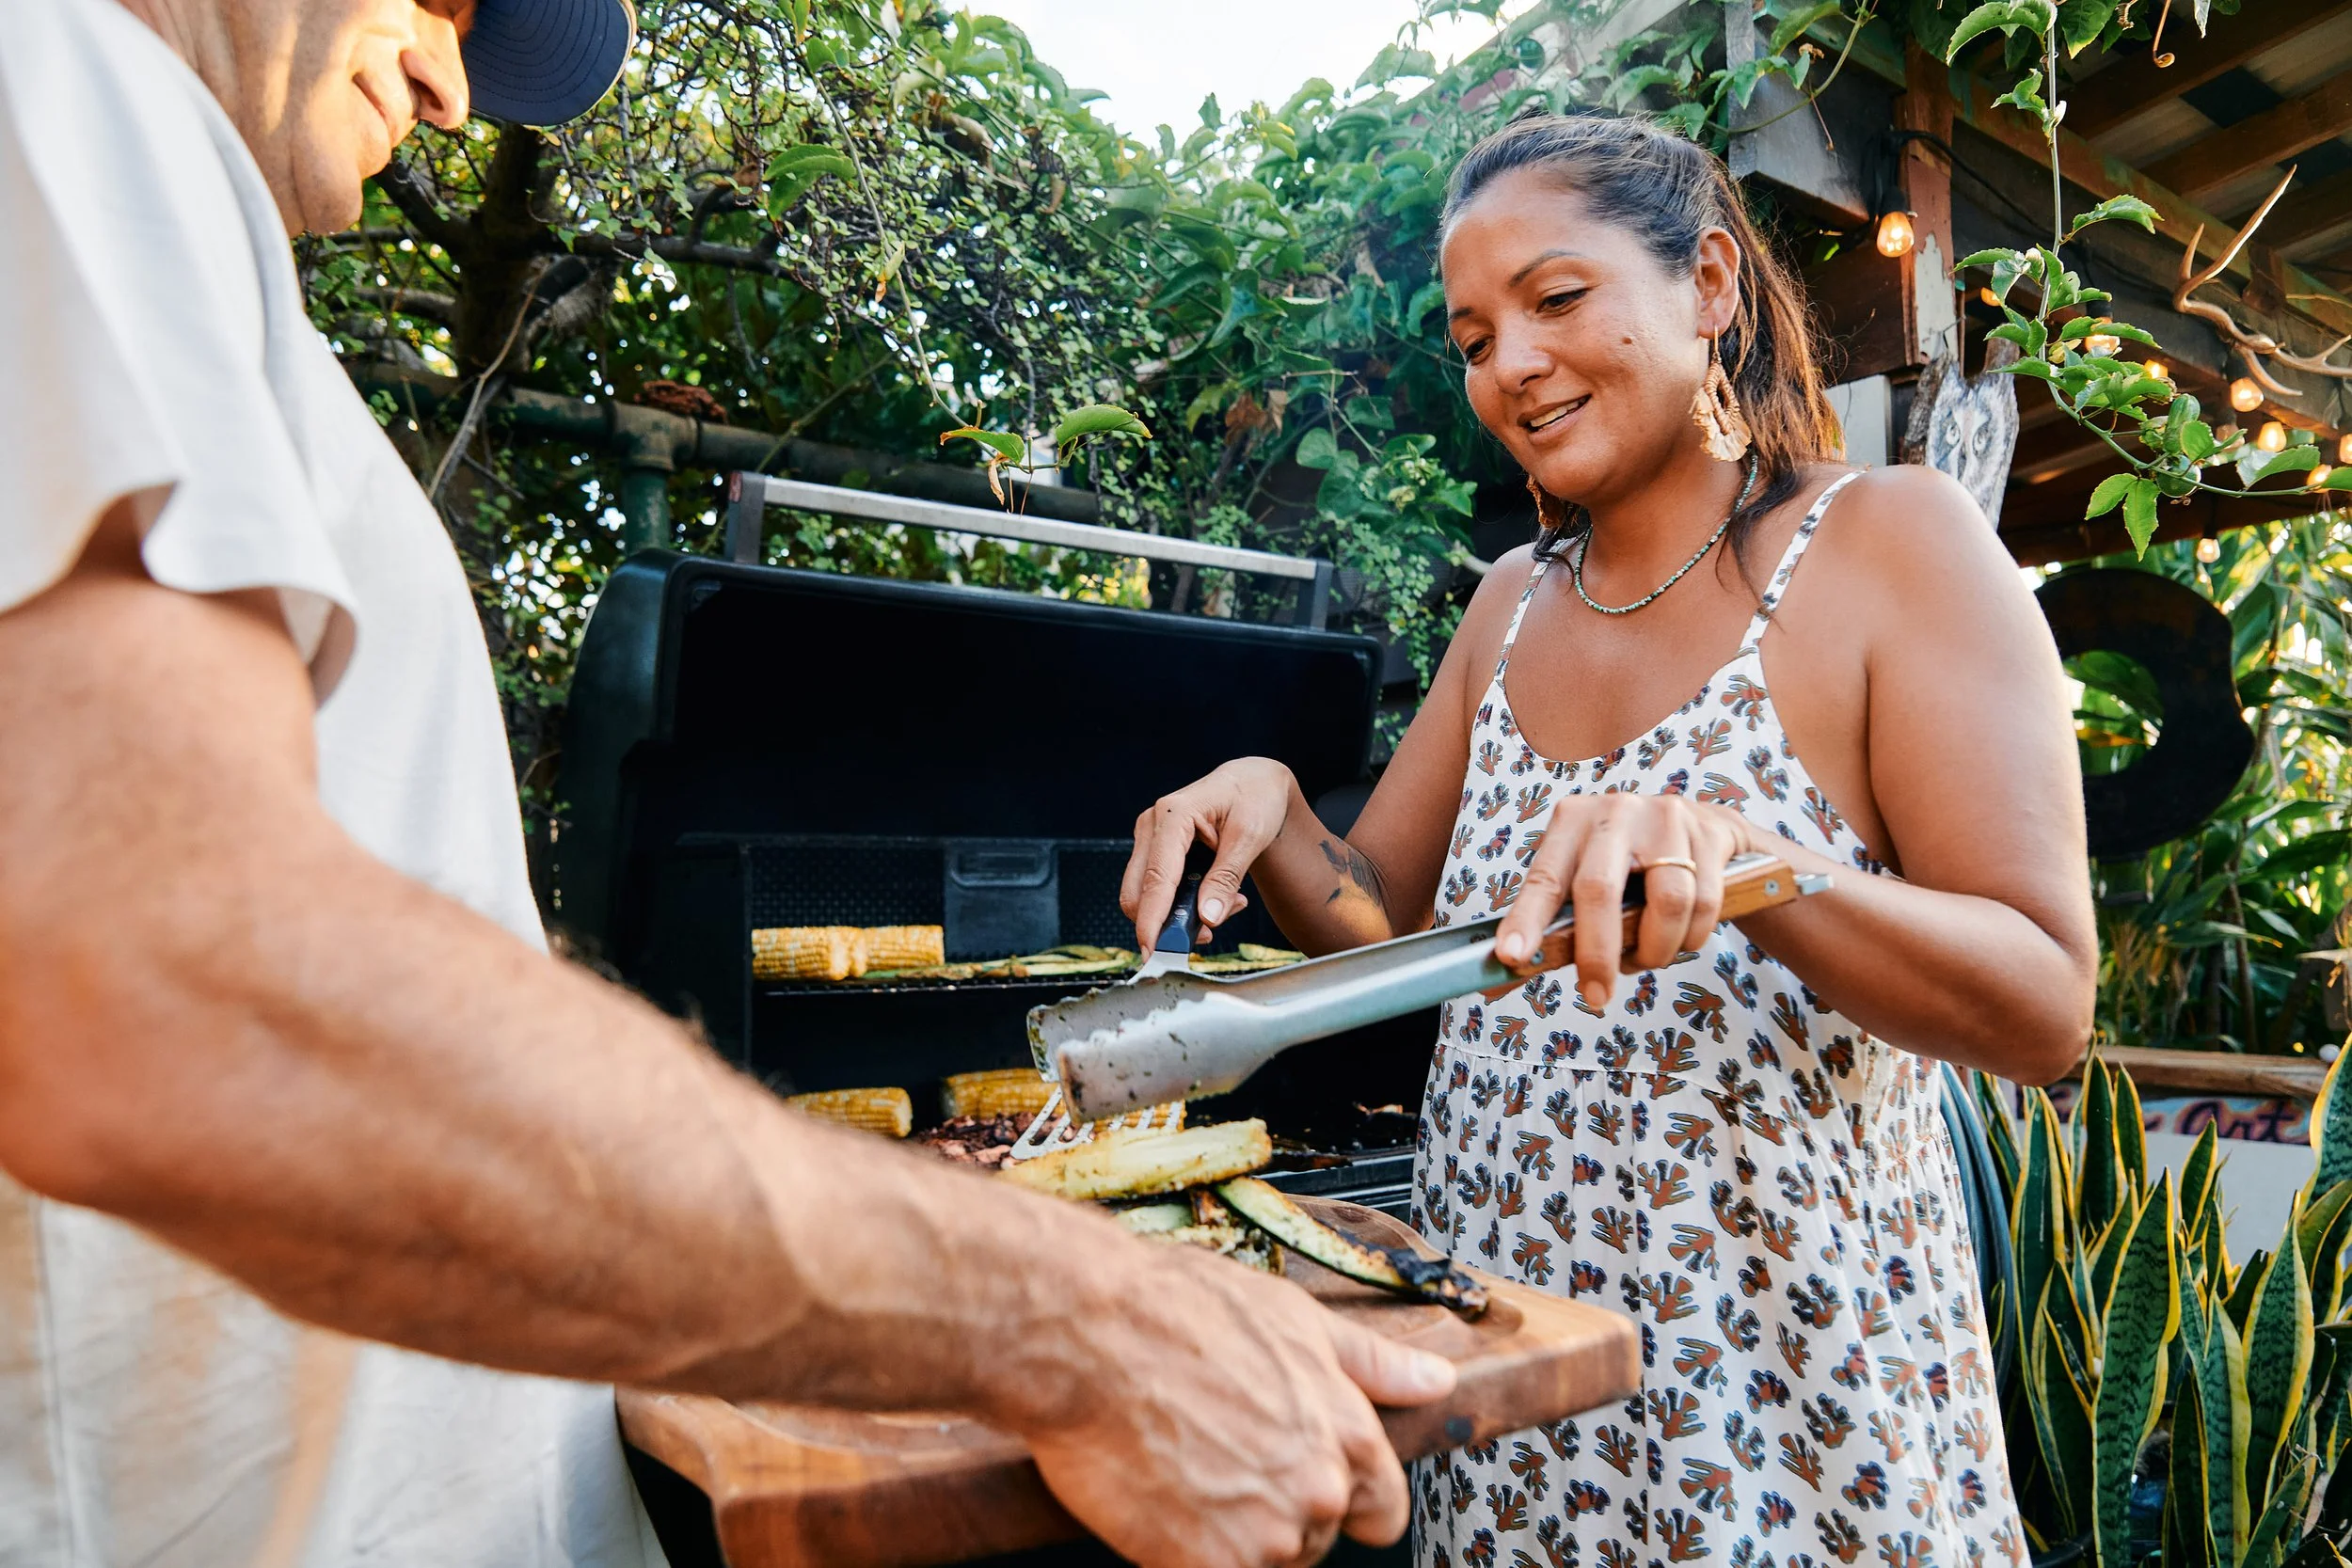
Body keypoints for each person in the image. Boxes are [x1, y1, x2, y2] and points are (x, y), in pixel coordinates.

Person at [0, 2, 1456, 1564]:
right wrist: (1085, 1319)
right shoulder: (64, 78)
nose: (445, 85)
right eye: (440, 3)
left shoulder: (161, 224)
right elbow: (178, 991)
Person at [1120, 113, 2096, 1568]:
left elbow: (2043, 1002)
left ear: (1708, 286)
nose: (1507, 363)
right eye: (1471, 335)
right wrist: (1270, 808)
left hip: (1775, 1389)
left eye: (1557, 300)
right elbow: (1380, 917)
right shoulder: (1508, 599)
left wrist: (1755, 861)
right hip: (1518, 1383)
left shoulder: (1890, 541)